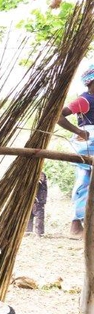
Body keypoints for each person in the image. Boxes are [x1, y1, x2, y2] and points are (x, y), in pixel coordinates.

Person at [57, 64, 94, 238]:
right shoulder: (84, 100)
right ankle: (76, 222)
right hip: (88, 144)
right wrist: (78, 131)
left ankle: (82, 222)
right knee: (84, 181)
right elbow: (59, 116)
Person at [26, 172, 47, 236]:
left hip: (39, 202)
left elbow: (43, 192)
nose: (41, 178)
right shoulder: (34, 182)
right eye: (40, 177)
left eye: (42, 177)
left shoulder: (42, 183)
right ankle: (28, 231)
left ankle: (38, 233)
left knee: (39, 217)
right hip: (33, 202)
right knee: (30, 216)